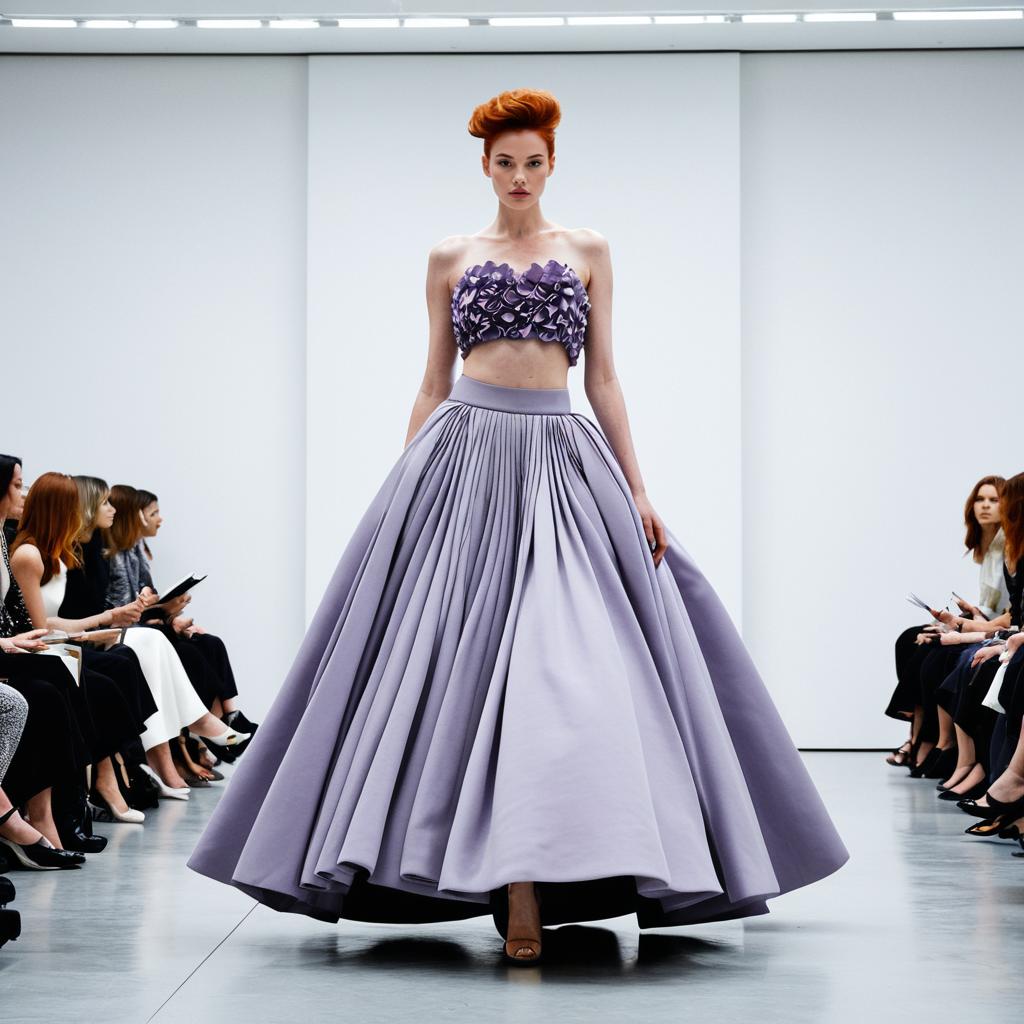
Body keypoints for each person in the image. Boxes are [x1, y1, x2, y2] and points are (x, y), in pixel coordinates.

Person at [187, 87, 849, 965]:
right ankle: (517, 892)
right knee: (449, 668)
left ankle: (554, 871)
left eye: (534, 162)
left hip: (561, 457)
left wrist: (640, 489)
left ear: (551, 163)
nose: (520, 177)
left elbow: (605, 377)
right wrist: (408, 476)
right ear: (485, 166)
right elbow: (431, 377)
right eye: (505, 163)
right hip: (462, 453)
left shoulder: (589, 249)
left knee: (562, 672)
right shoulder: (449, 256)